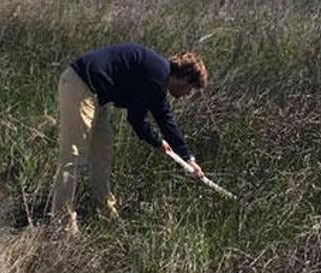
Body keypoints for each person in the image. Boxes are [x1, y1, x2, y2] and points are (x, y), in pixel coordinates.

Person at [50, 43, 208, 234]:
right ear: (184, 78)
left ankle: (105, 211)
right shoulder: (157, 75)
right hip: (80, 86)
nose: (186, 95)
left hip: (98, 97)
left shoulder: (159, 75)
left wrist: (188, 158)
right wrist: (156, 142)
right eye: (189, 89)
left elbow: (165, 119)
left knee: (101, 155)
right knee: (73, 157)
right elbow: (136, 119)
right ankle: (62, 224)